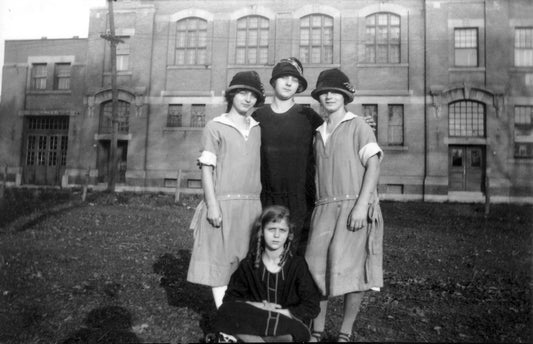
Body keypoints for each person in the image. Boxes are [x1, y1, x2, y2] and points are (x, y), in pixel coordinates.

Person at [252, 57, 376, 256]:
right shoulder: (257, 118)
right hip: (266, 199)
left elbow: (336, 129)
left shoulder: (309, 117)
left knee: (297, 260)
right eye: (283, 77)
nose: (289, 83)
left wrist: (359, 123)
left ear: (299, 85)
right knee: (267, 258)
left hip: (302, 202)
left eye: (294, 79)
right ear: (273, 81)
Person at [304, 69, 384, 342]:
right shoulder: (318, 132)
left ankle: (345, 332)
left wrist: (362, 207)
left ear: (345, 96)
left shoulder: (358, 125)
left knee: (353, 270)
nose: (329, 96)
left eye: (334, 91)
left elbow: (373, 165)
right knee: (316, 268)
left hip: (353, 205)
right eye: (324, 92)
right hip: (324, 207)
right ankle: (317, 329)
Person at [187, 71, 265, 309]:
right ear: (232, 95)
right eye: (242, 92)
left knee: (246, 263)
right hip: (223, 204)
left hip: (252, 206)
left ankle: (242, 318)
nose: (248, 98)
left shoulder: (258, 128)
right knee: (221, 263)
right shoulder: (215, 126)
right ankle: (226, 322)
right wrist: (212, 205)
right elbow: (207, 169)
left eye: (253, 95)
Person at [212, 205, 321, 343]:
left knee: (292, 331)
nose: (276, 235)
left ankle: (245, 338)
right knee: (225, 311)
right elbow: (230, 299)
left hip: (287, 321)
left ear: (289, 234)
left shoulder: (297, 265)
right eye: (271, 229)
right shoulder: (249, 264)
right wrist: (260, 307)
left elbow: (312, 306)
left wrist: (280, 312)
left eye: (282, 230)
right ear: (262, 231)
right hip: (257, 318)